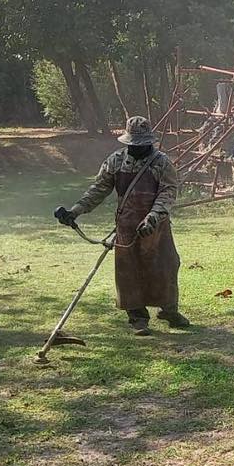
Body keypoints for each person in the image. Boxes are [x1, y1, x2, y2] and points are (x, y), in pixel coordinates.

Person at [55, 116, 189, 336]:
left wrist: (153, 217)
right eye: (133, 144)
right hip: (126, 225)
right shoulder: (115, 161)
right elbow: (98, 189)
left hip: (156, 226)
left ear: (149, 142)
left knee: (166, 265)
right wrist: (75, 211)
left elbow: (167, 192)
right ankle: (137, 318)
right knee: (129, 271)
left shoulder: (162, 162)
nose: (137, 148)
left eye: (141, 144)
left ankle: (169, 310)